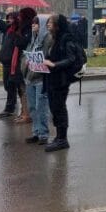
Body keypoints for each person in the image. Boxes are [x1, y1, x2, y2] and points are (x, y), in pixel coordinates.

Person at [41, 14, 77, 152]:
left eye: (51, 22)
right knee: (54, 108)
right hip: (52, 78)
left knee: (59, 108)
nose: (48, 24)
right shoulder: (54, 39)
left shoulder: (66, 39)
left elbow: (71, 59)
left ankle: (63, 139)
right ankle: (58, 136)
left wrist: (54, 64)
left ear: (58, 25)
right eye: (48, 22)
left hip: (61, 80)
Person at [23, 15, 50, 145]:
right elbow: (27, 55)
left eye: (36, 23)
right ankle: (36, 132)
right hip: (30, 77)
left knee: (41, 107)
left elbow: (48, 56)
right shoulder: (32, 40)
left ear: (42, 24)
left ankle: (43, 134)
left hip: (41, 78)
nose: (33, 25)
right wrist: (27, 62)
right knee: (32, 107)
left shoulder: (48, 39)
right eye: (32, 23)